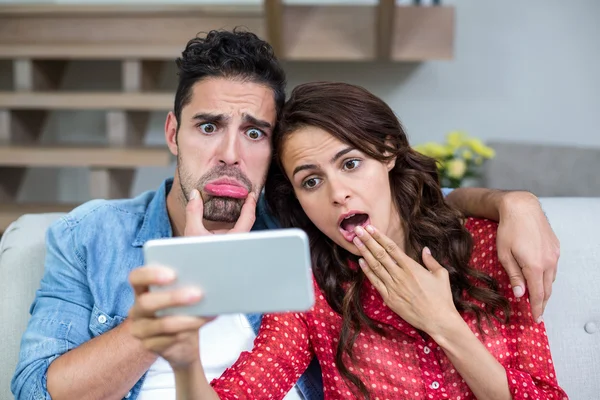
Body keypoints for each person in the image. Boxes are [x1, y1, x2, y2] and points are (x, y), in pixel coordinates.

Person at [11, 29, 559, 400]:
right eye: (208, 127)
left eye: (253, 132)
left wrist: (514, 201)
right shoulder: (92, 235)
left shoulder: (308, 242)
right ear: (174, 134)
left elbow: (426, 205)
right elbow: (36, 388)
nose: (229, 152)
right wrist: (181, 311)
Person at [129, 81, 568, 400]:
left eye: (351, 164)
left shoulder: (489, 246)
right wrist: (185, 362)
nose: (337, 193)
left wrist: (444, 324)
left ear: (389, 153)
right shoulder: (314, 291)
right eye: (312, 180)